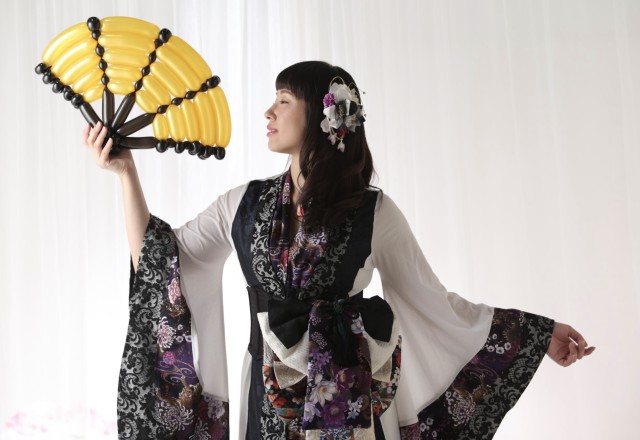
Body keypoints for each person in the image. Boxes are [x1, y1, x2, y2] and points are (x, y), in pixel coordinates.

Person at [82, 61, 594, 440]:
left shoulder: (374, 212)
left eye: (283, 100)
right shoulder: (244, 204)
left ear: (323, 116)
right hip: (266, 397)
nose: (268, 112)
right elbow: (161, 261)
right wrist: (125, 173)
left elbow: (431, 301)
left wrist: (536, 334)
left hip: (352, 399)